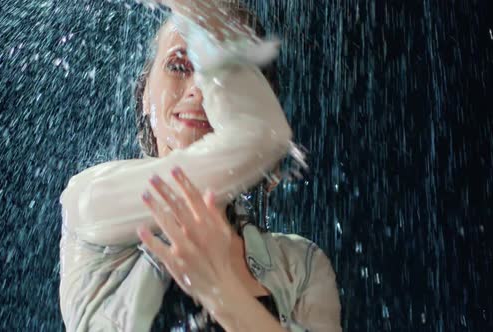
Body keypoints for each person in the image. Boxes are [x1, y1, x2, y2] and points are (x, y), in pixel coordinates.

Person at [59, 1, 341, 331]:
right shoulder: (93, 200)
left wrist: (222, 292)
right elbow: (260, 135)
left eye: (222, 77)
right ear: (146, 94)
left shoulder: (302, 265)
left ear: (248, 97)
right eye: (179, 66)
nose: (198, 88)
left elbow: (259, 134)